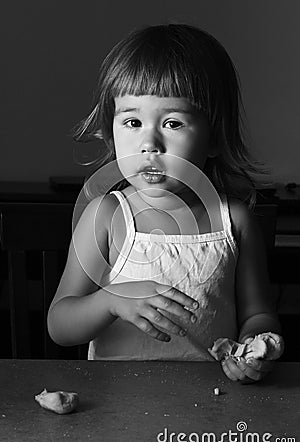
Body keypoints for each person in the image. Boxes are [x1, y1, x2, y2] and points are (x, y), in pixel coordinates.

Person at [47, 23, 282, 382]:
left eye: (172, 123)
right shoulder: (106, 217)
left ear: (215, 137)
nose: (149, 143)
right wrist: (110, 300)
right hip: (115, 409)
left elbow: (258, 313)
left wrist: (256, 345)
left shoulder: (234, 221)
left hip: (211, 409)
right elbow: (60, 324)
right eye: (133, 121)